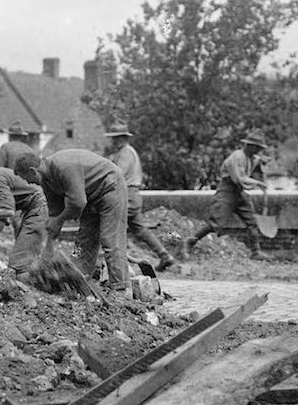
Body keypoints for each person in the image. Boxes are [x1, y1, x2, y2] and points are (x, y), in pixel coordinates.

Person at [16, 148, 129, 291]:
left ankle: (120, 288)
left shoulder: (64, 166)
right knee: (83, 241)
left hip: (110, 188)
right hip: (91, 196)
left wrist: (59, 220)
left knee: (110, 239)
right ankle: (80, 281)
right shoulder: (46, 181)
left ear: (33, 171)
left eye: (27, 179)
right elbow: (55, 211)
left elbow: (77, 203)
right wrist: (51, 233)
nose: (29, 183)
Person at [187, 131, 271, 260]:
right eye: (257, 148)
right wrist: (258, 183)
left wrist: (262, 162)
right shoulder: (237, 157)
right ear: (249, 146)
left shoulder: (252, 158)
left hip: (239, 192)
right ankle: (190, 241)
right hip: (227, 190)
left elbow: (258, 163)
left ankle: (256, 251)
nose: (259, 150)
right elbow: (239, 178)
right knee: (216, 224)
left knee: (251, 222)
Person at [104, 121, 176, 272]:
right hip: (133, 195)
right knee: (140, 229)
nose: (114, 141)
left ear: (124, 138)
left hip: (127, 194)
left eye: (116, 138)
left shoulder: (125, 153)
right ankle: (164, 255)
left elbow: (118, 174)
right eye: (113, 138)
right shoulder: (126, 152)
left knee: (111, 225)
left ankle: (121, 265)